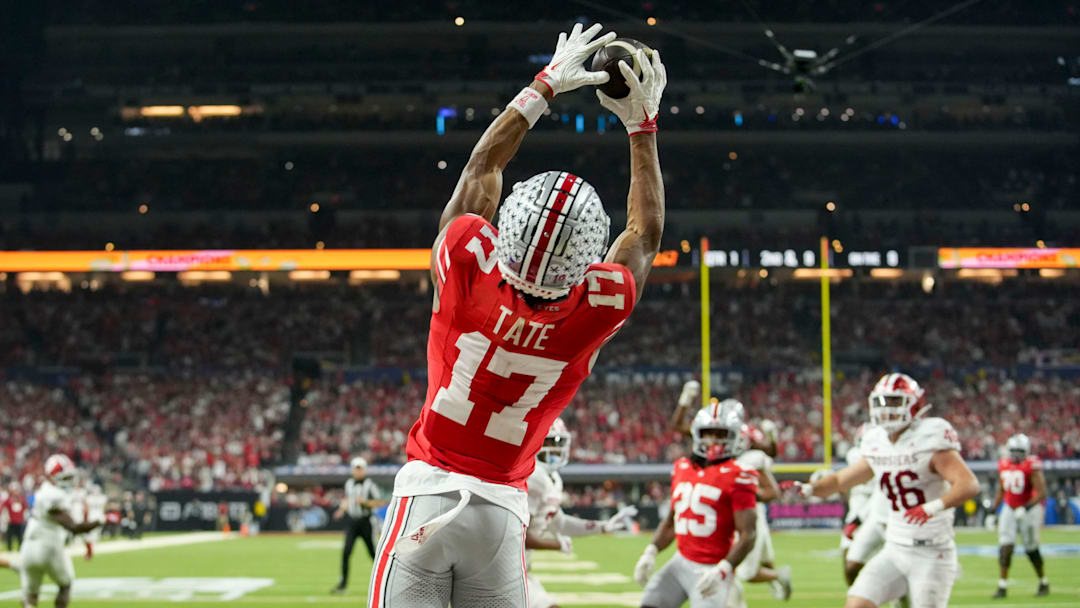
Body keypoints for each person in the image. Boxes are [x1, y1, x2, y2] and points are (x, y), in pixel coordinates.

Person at [368, 21, 666, 608]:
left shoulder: (465, 259)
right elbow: (644, 233)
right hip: (502, 511)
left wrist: (545, 84)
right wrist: (642, 127)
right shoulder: (594, 308)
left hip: (426, 492)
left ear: (507, 230)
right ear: (585, 259)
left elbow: (481, 171)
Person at [798, 373, 979, 608]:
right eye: (882, 402)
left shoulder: (931, 436)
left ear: (915, 405)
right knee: (856, 604)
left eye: (895, 402)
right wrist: (809, 489)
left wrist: (931, 507)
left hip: (931, 553)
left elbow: (968, 484)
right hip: (894, 548)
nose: (887, 409)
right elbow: (843, 479)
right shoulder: (877, 441)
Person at [633, 400, 759, 608]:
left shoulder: (740, 474)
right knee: (649, 604)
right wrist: (651, 551)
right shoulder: (682, 467)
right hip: (680, 562)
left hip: (712, 569)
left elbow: (748, 534)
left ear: (734, 436)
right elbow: (672, 521)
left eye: (721, 434)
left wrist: (724, 570)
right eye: (708, 433)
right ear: (697, 434)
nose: (713, 440)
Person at [524, 418, 638, 608]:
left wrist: (602, 527)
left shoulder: (552, 479)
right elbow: (517, 535)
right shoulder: (533, 476)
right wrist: (556, 544)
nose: (555, 449)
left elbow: (558, 522)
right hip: (504, 571)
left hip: (520, 570)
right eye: (549, 442)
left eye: (558, 443)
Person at [20, 454, 103, 608]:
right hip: (49, 545)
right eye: (64, 478)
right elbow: (73, 527)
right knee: (65, 585)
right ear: (52, 477)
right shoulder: (54, 495)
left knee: (30, 596)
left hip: (28, 547)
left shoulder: (42, 492)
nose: (69, 482)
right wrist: (102, 521)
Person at [729, 421, 791, 607]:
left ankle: (779, 576)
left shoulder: (751, 459)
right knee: (765, 561)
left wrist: (741, 491)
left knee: (745, 573)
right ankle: (777, 580)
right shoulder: (744, 457)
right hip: (752, 516)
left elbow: (772, 493)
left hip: (750, 516)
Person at [991, 433, 1049, 598]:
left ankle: (1043, 581)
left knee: (1031, 548)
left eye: (1019, 450)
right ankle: (1002, 586)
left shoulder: (1031, 465)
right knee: (1005, 547)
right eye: (1013, 450)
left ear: (1027, 451)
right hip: (1009, 507)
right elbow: (1001, 490)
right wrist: (993, 511)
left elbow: (1042, 492)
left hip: (1029, 508)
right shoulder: (1003, 464)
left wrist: (1027, 507)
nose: (1016, 454)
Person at [840, 424, 891, 588]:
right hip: (861, 507)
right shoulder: (856, 454)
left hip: (877, 509)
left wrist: (856, 519)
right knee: (850, 561)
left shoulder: (880, 456)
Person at [331, 457, 386, 595]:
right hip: (353, 522)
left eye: (360, 468)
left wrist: (365, 503)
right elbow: (348, 499)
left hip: (366, 522)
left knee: (374, 554)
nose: (358, 471)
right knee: (346, 552)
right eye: (356, 468)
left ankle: (384, 582)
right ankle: (343, 585)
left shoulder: (370, 484)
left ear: (364, 470)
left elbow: (379, 502)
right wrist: (341, 510)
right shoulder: (349, 483)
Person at [82, 485, 107, 561]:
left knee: (90, 535)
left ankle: (91, 550)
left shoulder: (89, 498)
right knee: (94, 535)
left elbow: (87, 509)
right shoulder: (103, 498)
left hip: (92, 518)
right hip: (100, 517)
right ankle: (92, 549)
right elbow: (103, 509)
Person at [2, 486, 27, 552]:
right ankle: (9, 550)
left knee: (20, 537)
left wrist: (24, 518)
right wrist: (6, 518)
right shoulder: (9, 500)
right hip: (11, 522)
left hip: (19, 522)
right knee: (9, 537)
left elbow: (25, 509)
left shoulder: (21, 500)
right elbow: (4, 509)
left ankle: (20, 550)